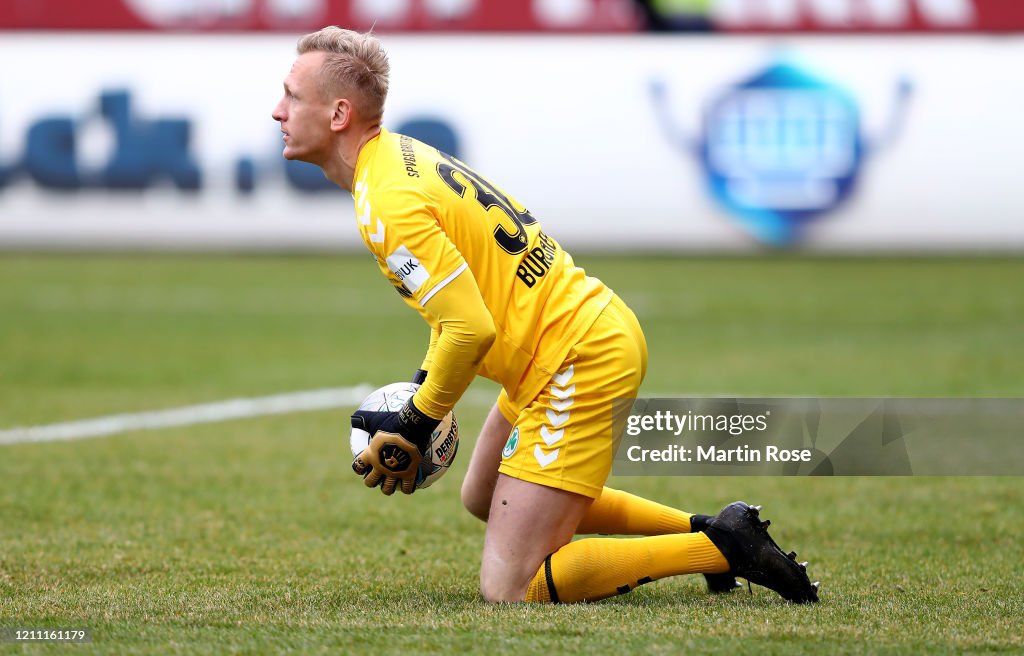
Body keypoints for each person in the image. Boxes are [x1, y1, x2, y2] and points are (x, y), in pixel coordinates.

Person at [271, 26, 819, 604]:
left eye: (291, 96)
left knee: (510, 585)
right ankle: (705, 531)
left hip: (576, 356)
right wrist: (421, 393)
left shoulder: (386, 200)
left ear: (338, 114)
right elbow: (459, 311)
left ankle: (721, 548)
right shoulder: (394, 161)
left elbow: (469, 328)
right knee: (482, 495)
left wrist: (418, 419)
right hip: (562, 346)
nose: (277, 110)